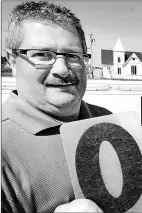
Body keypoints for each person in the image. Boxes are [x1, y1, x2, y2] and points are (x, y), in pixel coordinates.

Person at [2, 1, 112, 212]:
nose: (62, 69)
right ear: (13, 61)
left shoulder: (107, 120)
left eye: (72, 56)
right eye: (42, 55)